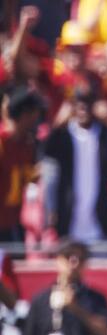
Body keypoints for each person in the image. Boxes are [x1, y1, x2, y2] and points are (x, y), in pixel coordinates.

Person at [20, 240, 107, 335]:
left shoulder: (96, 299)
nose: (73, 262)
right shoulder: (41, 299)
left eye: (80, 258)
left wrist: (76, 308)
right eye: (68, 256)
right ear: (58, 260)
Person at [42, 87, 107, 243]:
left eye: (88, 102)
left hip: (100, 224)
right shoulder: (63, 136)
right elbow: (45, 151)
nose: (83, 107)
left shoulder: (105, 135)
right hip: (68, 224)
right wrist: (58, 123)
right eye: (78, 102)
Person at [0, 86, 44, 242]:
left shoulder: (27, 145)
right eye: (34, 115)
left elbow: (25, 179)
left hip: (12, 224)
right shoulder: (3, 142)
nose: (37, 121)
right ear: (24, 115)